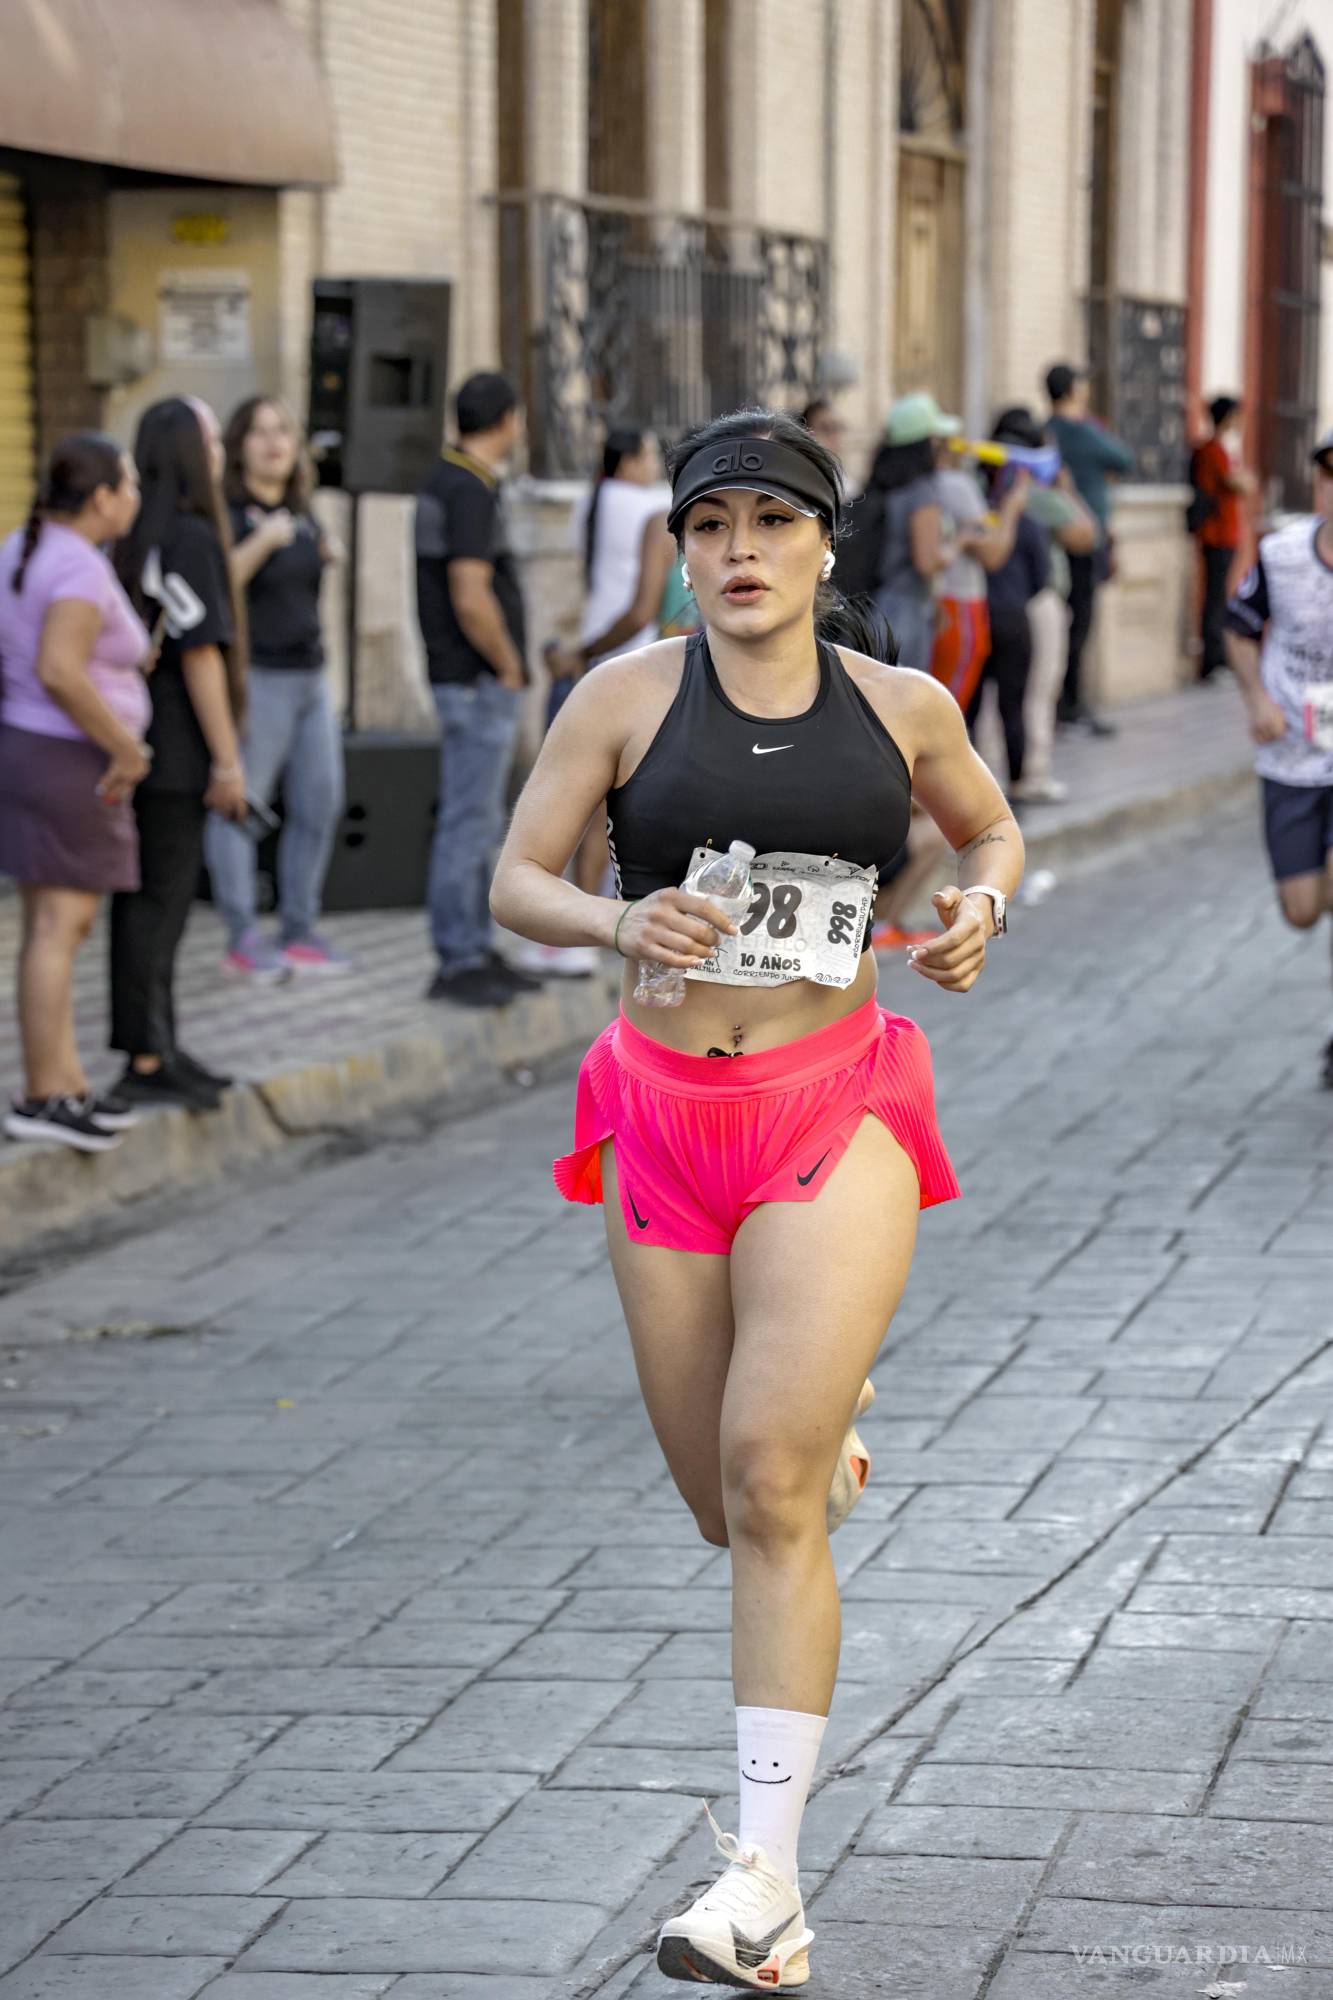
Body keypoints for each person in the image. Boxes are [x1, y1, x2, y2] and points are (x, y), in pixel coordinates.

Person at [490, 408, 1023, 1990]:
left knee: (769, 1487)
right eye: (710, 528)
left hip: (832, 1101)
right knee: (721, 1501)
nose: (740, 555)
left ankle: (765, 1885)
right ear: (680, 550)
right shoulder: (623, 699)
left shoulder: (903, 703)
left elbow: (984, 822)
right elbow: (512, 880)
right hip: (658, 1113)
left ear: (820, 543)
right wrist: (613, 917)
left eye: (771, 526)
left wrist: (979, 899)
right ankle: (816, 1420)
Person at [0, 434, 151, 1150]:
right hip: (69, 760)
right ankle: (44, 1093)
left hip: (35, 754)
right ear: (101, 498)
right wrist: (125, 746)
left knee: (50, 929)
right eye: (129, 485)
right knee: (59, 931)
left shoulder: (27, 549)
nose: (135, 498)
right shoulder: (78, 567)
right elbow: (60, 669)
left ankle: (62, 1082)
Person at [110, 397, 248, 1112]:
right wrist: (227, 762)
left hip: (140, 739)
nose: (222, 450)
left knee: (147, 902)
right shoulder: (190, 535)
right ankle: (146, 1053)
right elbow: (200, 657)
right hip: (176, 748)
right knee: (157, 903)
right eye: (214, 437)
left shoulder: (136, 533)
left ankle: (154, 1042)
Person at [205, 395, 347, 981]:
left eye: (283, 431)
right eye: (260, 432)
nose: (273, 443)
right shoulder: (230, 516)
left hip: (311, 677)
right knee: (242, 807)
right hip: (258, 679)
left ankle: (298, 929)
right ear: (239, 446)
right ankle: (242, 935)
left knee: (319, 803)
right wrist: (262, 546)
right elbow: (217, 583)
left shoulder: (303, 511)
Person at [415, 371, 541, 1009]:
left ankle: (475, 946)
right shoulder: (466, 488)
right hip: (474, 680)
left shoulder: (456, 479)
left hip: (468, 680)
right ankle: (458, 955)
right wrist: (508, 663)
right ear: (507, 420)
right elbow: (470, 593)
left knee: (482, 818)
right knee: (469, 821)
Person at [1224, 425, 1333, 1090]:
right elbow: (1237, 630)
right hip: (1290, 756)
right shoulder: (1282, 554)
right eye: (1326, 474)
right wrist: (1256, 699)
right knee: (1301, 909)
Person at [546, 423, 675, 907]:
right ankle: (585, 922)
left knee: (579, 799)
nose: (652, 466)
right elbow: (642, 608)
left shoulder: (591, 501)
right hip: (628, 652)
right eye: (646, 454)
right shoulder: (648, 507)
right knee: (611, 805)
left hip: (592, 646)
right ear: (627, 462)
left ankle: (573, 915)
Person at [988, 407, 1098, 804]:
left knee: (996, 696)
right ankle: (1032, 773)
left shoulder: (986, 488)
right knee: (1037, 690)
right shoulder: (1034, 491)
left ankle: (994, 771)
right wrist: (1065, 486)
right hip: (1037, 600)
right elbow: (1086, 534)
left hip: (997, 598)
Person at [1044, 361, 1134, 734]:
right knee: (1079, 624)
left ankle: (1063, 702)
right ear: (1071, 390)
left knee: (1062, 624)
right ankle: (1071, 704)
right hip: (1082, 537)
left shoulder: (1046, 431)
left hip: (1055, 539)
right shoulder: (1080, 431)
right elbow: (1123, 459)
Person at [970, 453, 1050, 797]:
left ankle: (968, 787)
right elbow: (1041, 578)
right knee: (1012, 706)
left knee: (969, 707)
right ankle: (1016, 783)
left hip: (977, 616)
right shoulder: (1027, 523)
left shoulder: (974, 520)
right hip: (1014, 620)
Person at [1190, 394, 1252, 685]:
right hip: (1217, 534)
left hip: (1226, 533)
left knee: (1220, 596)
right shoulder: (1214, 450)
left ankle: (1217, 658)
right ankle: (1211, 662)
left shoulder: (1223, 449)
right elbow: (1238, 483)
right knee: (1214, 598)